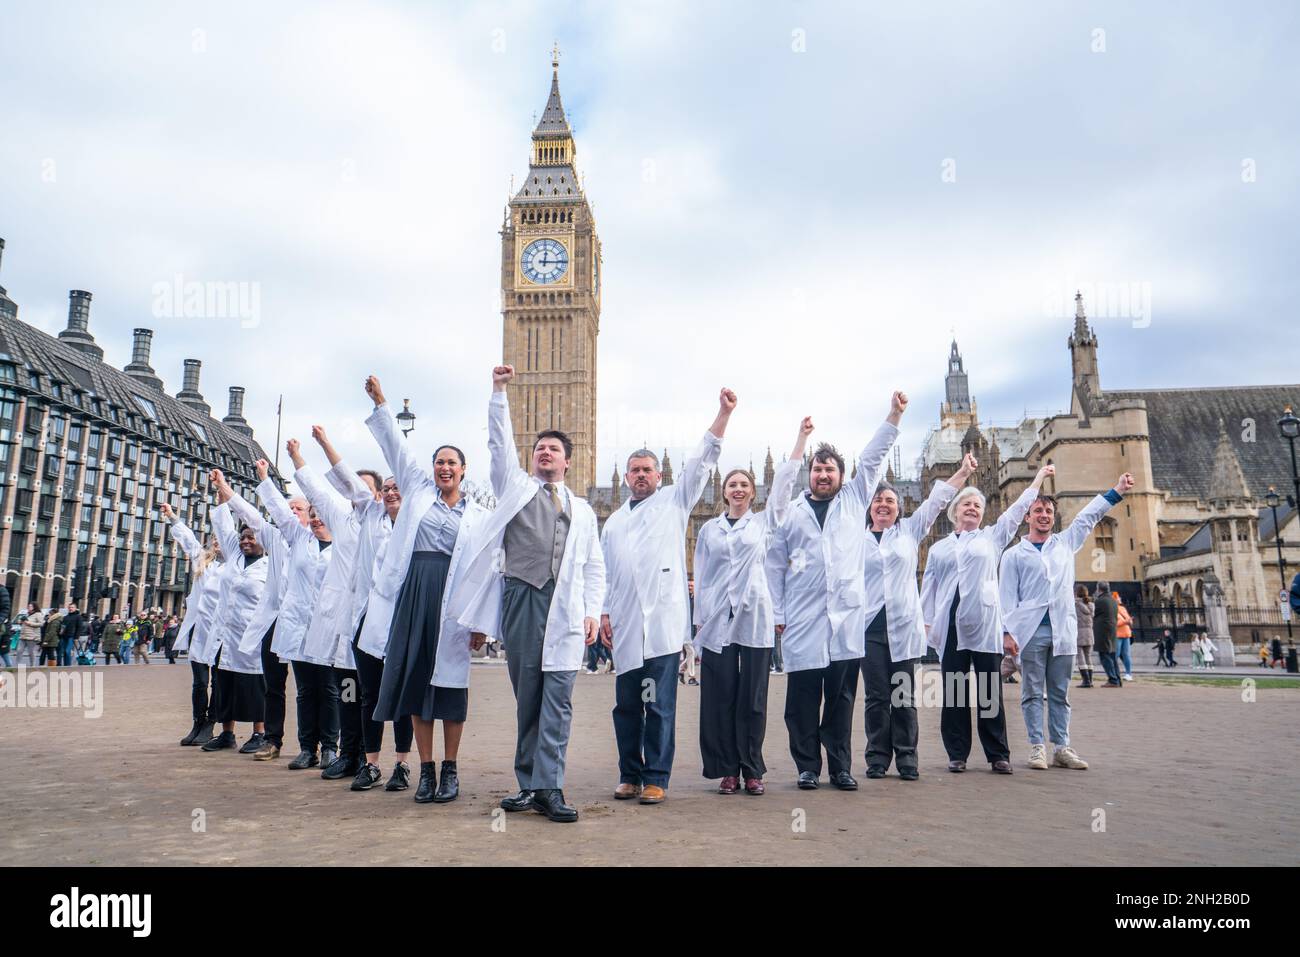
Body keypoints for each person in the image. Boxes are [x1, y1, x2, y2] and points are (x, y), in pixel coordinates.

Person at [458, 364, 606, 823]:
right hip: (522, 599)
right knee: (528, 697)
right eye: (540, 447)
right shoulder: (516, 487)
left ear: (568, 461)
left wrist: (592, 611)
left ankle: (551, 786)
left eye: (554, 449)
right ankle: (528, 784)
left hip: (565, 610)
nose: (545, 453)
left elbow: (594, 566)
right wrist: (499, 392)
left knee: (557, 700)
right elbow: (500, 445)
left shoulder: (582, 511)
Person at [359, 376, 495, 804]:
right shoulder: (417, 491)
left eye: (452, 462)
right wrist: (382, 402)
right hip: (416, 594)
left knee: (451, 689)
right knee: (418, 686)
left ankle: (451, 770)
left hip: (454, 602)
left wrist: (481, 624)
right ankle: (426, 770)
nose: (445, 467)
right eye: (440, 461)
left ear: (464, 470)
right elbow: (395, 450)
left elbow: (488, 570)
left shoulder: (479, 515)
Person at [766, 391, 905, 791]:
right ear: (808, 474)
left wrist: (893, 415)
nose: (823, 475)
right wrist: (778, 613)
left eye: (830, 469)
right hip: (804, 620)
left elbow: (875, 456)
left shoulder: (854, 498)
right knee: (802, 702)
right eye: (817, 469)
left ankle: (840, 767)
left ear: (842, 476)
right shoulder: (792, 512)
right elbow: (774, 565)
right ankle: (807, 766)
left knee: (842, 700)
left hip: (846, 619)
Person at [601, 388, 734, 804]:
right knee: (626, 707)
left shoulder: (675, 503)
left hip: (660, 624)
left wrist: (723, 414)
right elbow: (605, 573)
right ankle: (629, 773)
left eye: (648, 470)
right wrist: (603, 613)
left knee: (657, 705)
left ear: (660, 476)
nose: (641, 475)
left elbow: (701, 462)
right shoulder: (614, 523)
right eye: (635, 470)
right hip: (624, 625)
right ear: (626, 477)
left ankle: (656, 777)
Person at [694, 416, 808, 795]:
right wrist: (699, 620)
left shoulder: (765, 522)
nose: (738, 489)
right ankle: (727, 769)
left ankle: (751, 769)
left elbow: (786, 486)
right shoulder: (710, 530)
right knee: (719, 696)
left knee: (753, 698)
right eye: (732, 484)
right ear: (723, 491)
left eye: (744, 484)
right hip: (717, 621)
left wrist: (801, 438)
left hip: (755, 616)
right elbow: (702, 575)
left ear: (752, 492)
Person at [922, 464, 1055, 774]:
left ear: (983, 514)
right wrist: (926, 623)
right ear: (954, 511)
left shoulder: (993, 538)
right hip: (951, 624)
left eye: (978, 505)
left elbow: (1020, 506)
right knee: (954, 690)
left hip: (984, 623)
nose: (972, 509)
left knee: (988, 690)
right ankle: (957, 753)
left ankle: (998, 754)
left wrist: (1038, 478)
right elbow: (928, 588)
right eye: (967, 504)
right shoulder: (939, 548)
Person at [1000, 471, 1135, 770]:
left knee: (1060, 692)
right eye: (1038, 511)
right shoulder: (1013, 555)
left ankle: (1062, 747)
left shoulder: (1065, 542)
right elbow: (1006, 597)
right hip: (1031, 631)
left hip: (1062, 630)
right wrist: (1007, 633)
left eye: (1049, 511)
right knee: (1032, 691)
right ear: (1027, 517)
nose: (1044, 516)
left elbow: (1088, 516)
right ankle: (1037, 747)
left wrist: (1116, 490)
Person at [861, 452, 975, 781]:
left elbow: (938, 500)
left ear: (900, 508)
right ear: (870, 507)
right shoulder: (857, 539)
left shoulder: (909, 532)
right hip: (868, 629)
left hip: (903, 626)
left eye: (890, 500)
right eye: (878, 500)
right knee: (877, 697)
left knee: (904, 695)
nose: (884, 504)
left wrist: (963, 473)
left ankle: (907, 757)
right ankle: (877, 758)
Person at [288, 427, 378, 784]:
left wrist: (328, 444)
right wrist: (298, 456)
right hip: (342, 620)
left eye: (367, 487)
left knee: (368, 695)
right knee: (347, 691)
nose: (359, 492)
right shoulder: (342, 519)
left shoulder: (384, 524)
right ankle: (347, 753)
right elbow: (315, 490)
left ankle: (368, 759)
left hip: (370, 619)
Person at [243, 447, 337, 769]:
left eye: (316, 512)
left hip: (325, 626)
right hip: (298, 628)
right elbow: (280, 514)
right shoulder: (299, 539)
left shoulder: (342, 545)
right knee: (305, 689)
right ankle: (308, 748)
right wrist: (265, 479)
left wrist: (301, 459)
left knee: (329, 688)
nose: (314, 518)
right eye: (310, 514)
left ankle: (330, 748)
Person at [219, 463, 297, 761]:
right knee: (275, 686)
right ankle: (272, 740)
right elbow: (250, 515)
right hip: (273, 622)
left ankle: (323, 747)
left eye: (298, 509)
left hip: (306, 622)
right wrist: (226, 490)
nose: (291, 513)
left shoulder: (318, 542)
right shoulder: (277, 539)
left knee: (317, 687)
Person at [345, 463, 413, 793]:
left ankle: (401, 764)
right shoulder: (372, 520)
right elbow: (347, 479)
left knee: (401, 694)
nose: (390, 491)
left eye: (396, 486)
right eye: (385, 488)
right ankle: (371, 764)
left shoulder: (418, 527)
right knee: (369, 694)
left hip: (403, 621)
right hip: (368, 620)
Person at [200, 475, 272, 753]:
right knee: (223, 684)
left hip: (252, 637)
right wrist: (219, 489)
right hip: (225, 634)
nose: (245, 541)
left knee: (254, 686)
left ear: (262, 541)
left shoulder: (270, 564)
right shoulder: (234, 556)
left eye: (251, 537)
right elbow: (222, 523)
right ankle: (226, 733)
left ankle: (259, 733)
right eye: (242, 536)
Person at [164, 500, 227, 747]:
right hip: (200, 629)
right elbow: (188, 540)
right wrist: (172, 517)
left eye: (222, 539)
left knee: (218, 681)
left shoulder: (237, 566)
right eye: (215, 539)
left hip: (222, 631)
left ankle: (211, 723)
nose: (217, 543)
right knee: (199, 682)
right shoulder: (203, 561)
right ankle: (197, 722)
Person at [1092, 584, 1120, 687]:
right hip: (1112, 629)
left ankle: (1112, 679)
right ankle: (1117, 679)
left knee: (1104, 655)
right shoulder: (1113, 600)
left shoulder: (1100, 601)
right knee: (1112, 655)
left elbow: (1092, 613)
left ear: (1099, 589)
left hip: (1103, 630)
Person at [1074, 585, 1095, 688]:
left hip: (1079, 632)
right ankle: (1090, 680)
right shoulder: (1091, 605)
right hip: (1090, 632)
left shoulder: (1075, 604)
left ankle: (1085, 680)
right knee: (1088, 656)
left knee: (1080, 656)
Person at [1115, 593, 1134, 681]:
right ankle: (1115, 673)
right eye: (1118, 597)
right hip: (1117, 635)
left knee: (1126, 655)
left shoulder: (1123, 608)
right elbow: (1115, 623)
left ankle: (1128, 673)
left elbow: (1128, 620)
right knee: (1116, 654)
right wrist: (1125, 622)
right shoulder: (1113, 609)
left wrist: (1129, 621)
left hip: (1126, 634)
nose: (1120, 598)